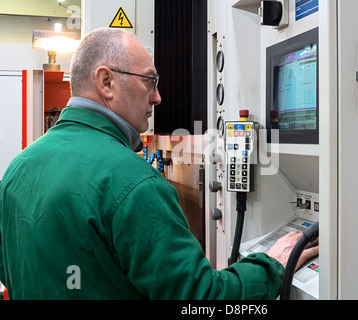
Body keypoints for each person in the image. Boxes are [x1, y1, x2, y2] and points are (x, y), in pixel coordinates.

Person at [0, 27, 318, 300]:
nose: (158, 97)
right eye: (149, 81)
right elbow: (202, 298)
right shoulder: (132, 182)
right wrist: (273, 265)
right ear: (106, 82)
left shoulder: (18, 169)